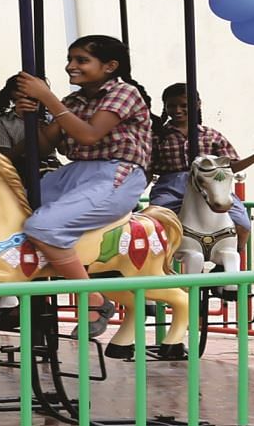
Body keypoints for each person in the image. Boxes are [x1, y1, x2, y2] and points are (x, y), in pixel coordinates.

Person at [13, 35, 154, 338]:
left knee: (44, 225)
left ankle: (93, 297)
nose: (70, 66)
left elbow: (90, 135)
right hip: (75, 172)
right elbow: (41, 145)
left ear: (109, 66)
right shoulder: (74, 101)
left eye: (81, 60)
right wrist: (32, 117)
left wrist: (48, 98)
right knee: (12, 213)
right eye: (70, 59)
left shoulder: (123, 93)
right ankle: (14, 299)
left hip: (117, 173)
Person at [146, 84, 254, 253]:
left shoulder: (210, 135)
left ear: (197, 104)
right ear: (165, 107)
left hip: (210, 185)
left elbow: (230, 166)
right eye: (171, 105)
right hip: (171, 187)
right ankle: (162, 256)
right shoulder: (157, 136)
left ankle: (234, 251)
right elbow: (148, 168)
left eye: (184, 105)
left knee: (242, 222)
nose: (177, 110)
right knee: (154, 221)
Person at [0, 74, 59, 170]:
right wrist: (27, 125)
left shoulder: (50, 117)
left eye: (33, 99)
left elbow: (47, 150)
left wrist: (36, 121)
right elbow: (3, 158)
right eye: (22, 100)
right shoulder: (3, 121)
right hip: (19, 167)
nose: (29, 104)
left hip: (49, 165)